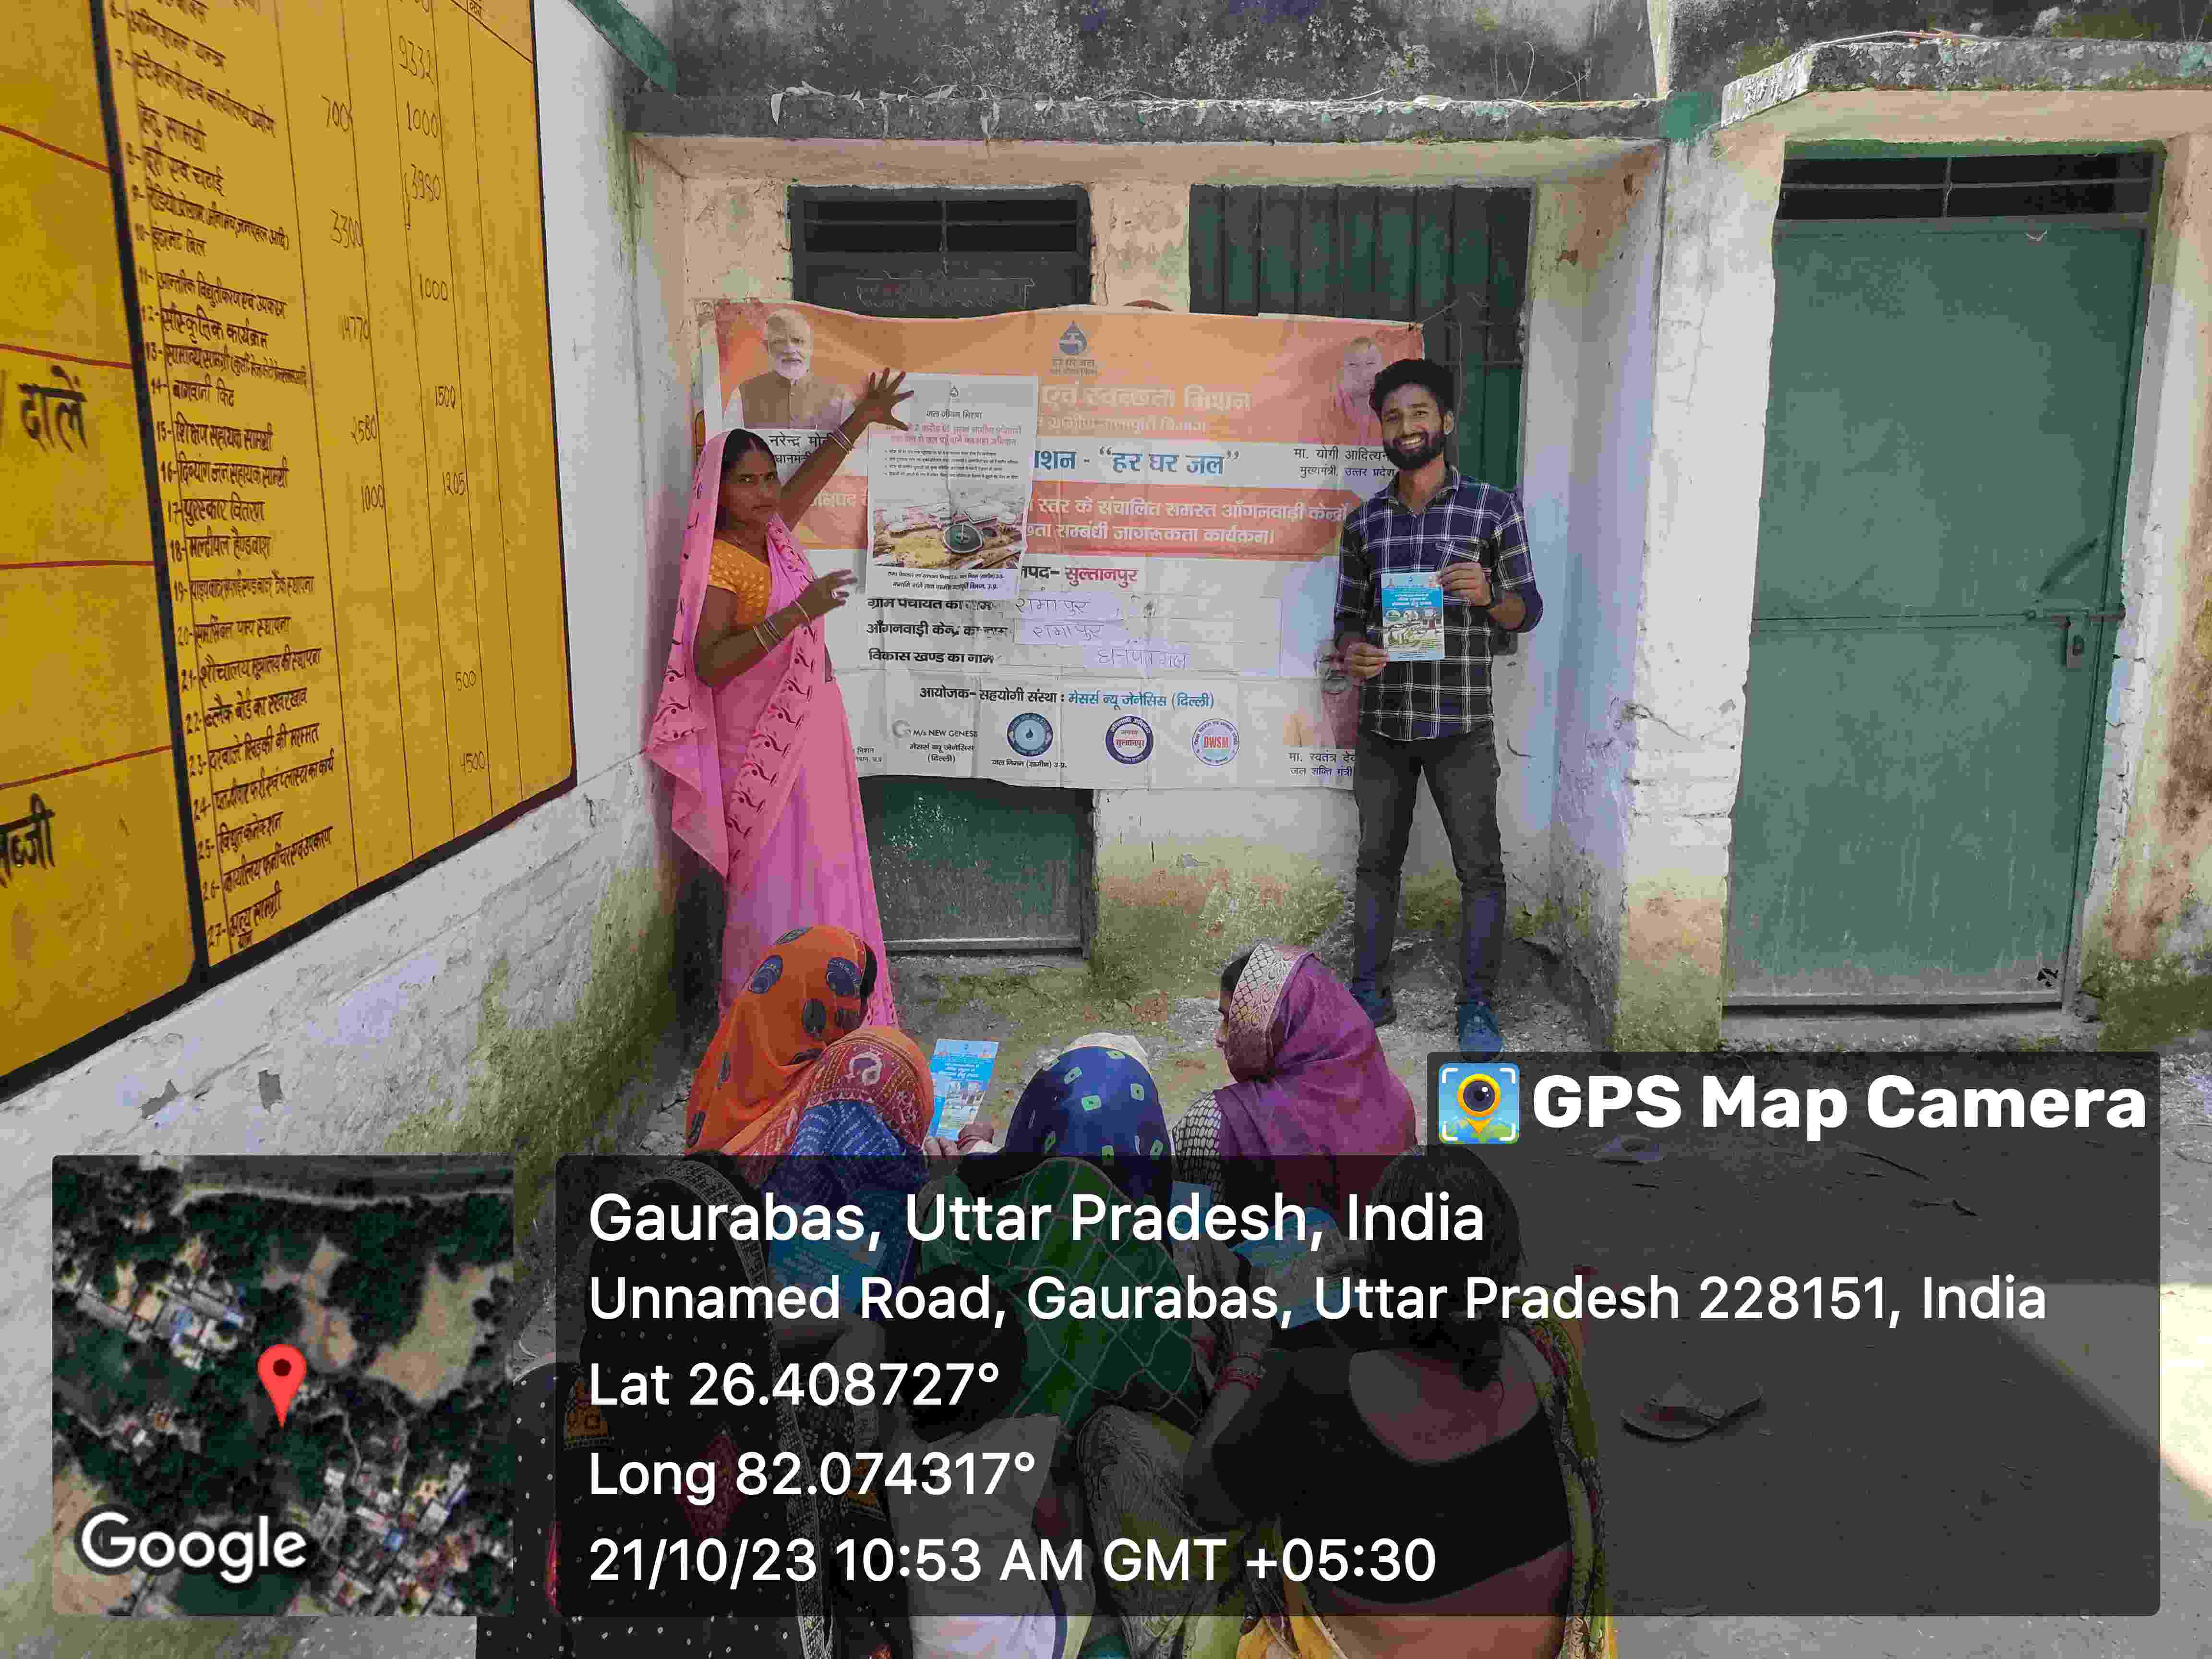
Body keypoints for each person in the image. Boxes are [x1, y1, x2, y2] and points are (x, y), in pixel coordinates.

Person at [1183, 1144, 1614, 1659]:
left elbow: (1206, 1500)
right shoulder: (1549, 1353)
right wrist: (1399, 1269)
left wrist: (1249, 1351)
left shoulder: (1314, 1392)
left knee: (1128, 1450)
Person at [647, 370, 912, 1021]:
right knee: (773, 881)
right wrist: (796, 615)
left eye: (769, 478)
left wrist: (860, 418)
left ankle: (838, 1004)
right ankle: (772, 1019)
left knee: (828, 867)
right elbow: (709, 664)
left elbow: (807, 484)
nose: (765, 492)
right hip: (763, 753)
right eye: (748, 481)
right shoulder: (724, 562)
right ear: (719, 490)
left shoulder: (770, 535)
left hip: (815, 736)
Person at [1329, 357, 1543, 1058]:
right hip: (1385, 726)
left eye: (1419, 413)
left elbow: (1528, 610)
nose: (1406, 427)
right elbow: (1347, 622)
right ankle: (1368, 994)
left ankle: (1477, 1005)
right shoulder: (1364, 524)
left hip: (1461, 724)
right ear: (1382, 431)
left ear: (1446, 422)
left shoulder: (1493, 509)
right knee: (1375, 865)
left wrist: (1489, 595)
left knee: (1480, 871)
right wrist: (1354, 652)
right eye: (1393, 417)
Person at [1172, 943, 1418, 1222]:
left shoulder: (1210, 1122)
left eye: (1231, 1021)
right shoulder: (1396, 1101)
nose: (1220, 1036)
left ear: (1267, 1029)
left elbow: (1193, 1238)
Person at [684, 923, 879, 1158]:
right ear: (837, 1003)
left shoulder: (722, 1056)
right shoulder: (831, 1089)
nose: (865, 1010)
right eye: (862, 999)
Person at [725, 307, 857, 432]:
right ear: (767, 347)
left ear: (811, 346)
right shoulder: (743, 395)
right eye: (779, 342)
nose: (790, 350)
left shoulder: (841, 397)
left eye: (798, 341)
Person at [1330, 336, 1386, 446]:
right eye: (1353, 365)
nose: (1363, 372)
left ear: (1382, 367)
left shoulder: (1391, 408)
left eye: (1370, 364)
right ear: (1342, 370)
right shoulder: (1330, 410)